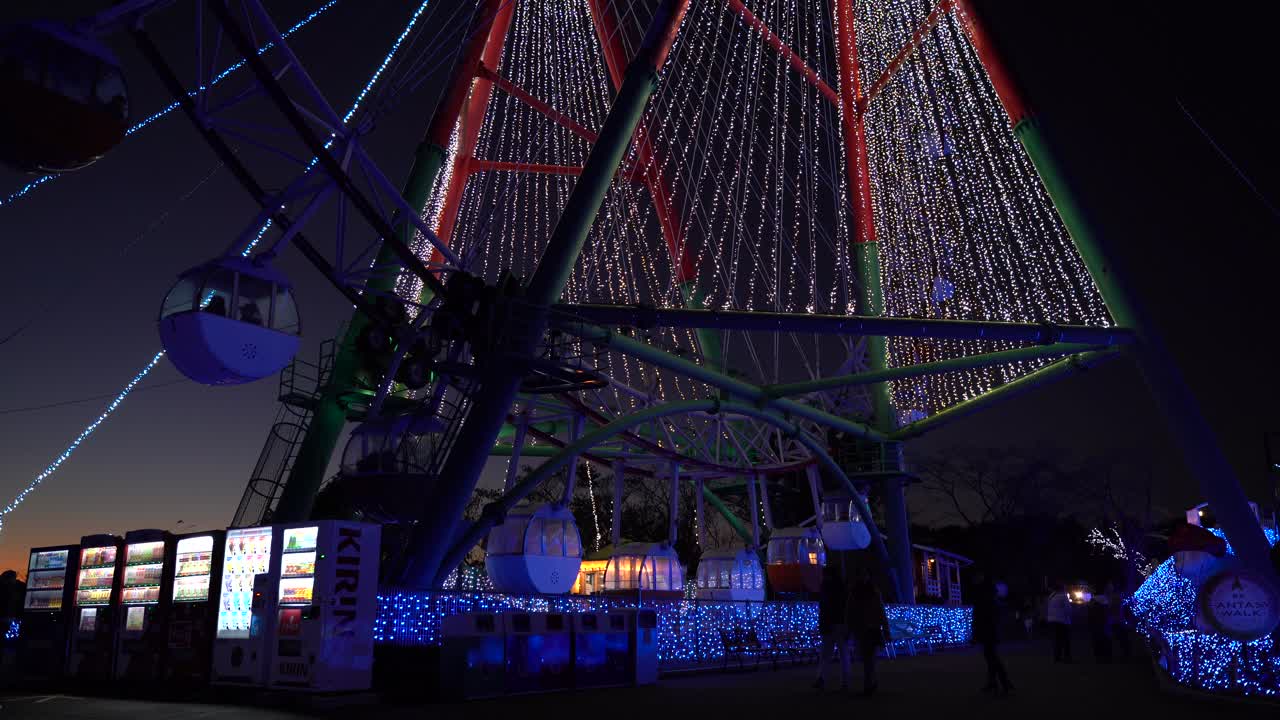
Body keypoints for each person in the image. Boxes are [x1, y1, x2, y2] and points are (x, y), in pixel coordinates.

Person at [847, 567, 890, 697]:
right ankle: (870, 681)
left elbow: (879, 610)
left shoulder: (857, 592)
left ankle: (869, 682)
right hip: (866, 628)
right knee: (868, 658)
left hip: (868, 628)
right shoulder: (866, 591)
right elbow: (850, 611)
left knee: (868, 657)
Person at [972, 570, 1014, 695]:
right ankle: (994, 683)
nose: (975, 579)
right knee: (990, 656)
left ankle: (1003, 683)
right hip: (990, 629)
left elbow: (982, 614)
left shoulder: (984, 595)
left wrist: (977, 630)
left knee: (991, 657)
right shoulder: (989, 594)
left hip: (987, 629)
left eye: (977, 576)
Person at [812, 564, 850, 692]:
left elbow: (824, 608)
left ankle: (822, 678)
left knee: (826, 653)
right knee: (843, 653)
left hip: (830, 624)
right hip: (839, 623)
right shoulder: (841, 587)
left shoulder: (825, 588)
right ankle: (844, 681)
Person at [1046, 583, 1073, 663]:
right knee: (1065, 640)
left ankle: (1057, 657)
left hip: (1052, 620)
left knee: (1056, 640)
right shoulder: (1063, 596)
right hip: (1062, 621)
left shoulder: (1051, 596)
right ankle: (1067, 657)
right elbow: (1068, 609)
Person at [1104, 582, 1129, 660]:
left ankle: (1123, 654)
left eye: (1110, 587)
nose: (1109, 589)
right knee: (1116, 637)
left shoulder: (1115, 597)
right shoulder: (1110, 597)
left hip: (1117, 620)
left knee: (1120, 637)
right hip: (1114, 620)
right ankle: (1120, 653)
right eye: (1108, 587)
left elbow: (1116, 608)